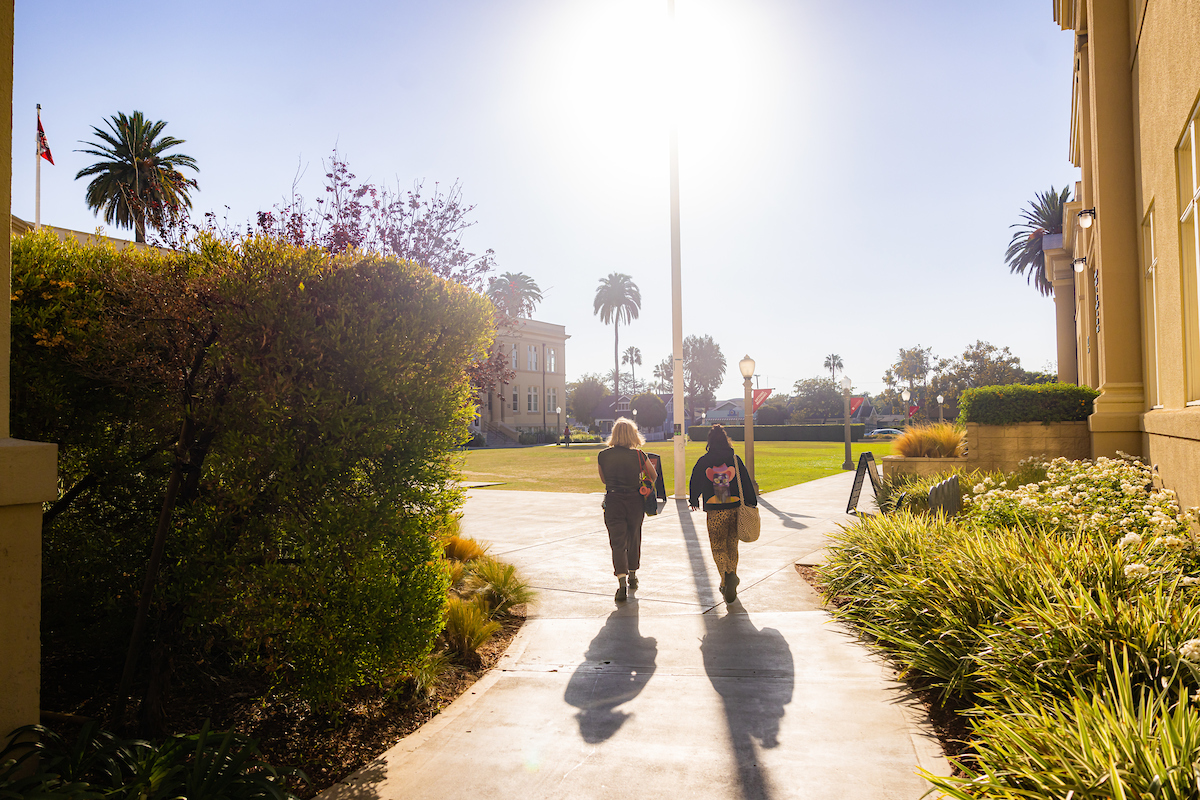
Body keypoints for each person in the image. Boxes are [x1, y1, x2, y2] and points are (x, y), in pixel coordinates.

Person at [688, 424, 757, 603]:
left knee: (718, 547)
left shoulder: (704, 460)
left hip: (715, 511)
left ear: (710, 441)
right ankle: (729, 578)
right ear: (726, 440)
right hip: (734, 508)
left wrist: (694, 499)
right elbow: (745, 481)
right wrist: (751, 501)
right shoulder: (735, 459)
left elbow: (695, 480)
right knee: (732, 545)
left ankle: (727, 576)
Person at [597, 417, 657, 601]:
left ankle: (621, 582)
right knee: (633, 537)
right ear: (633, 434)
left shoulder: (603, 455)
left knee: (617, 542)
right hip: (634, 501)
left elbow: (604, 480)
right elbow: (653, 475)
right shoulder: (639, 455)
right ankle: (632, 575)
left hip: (614, 500)